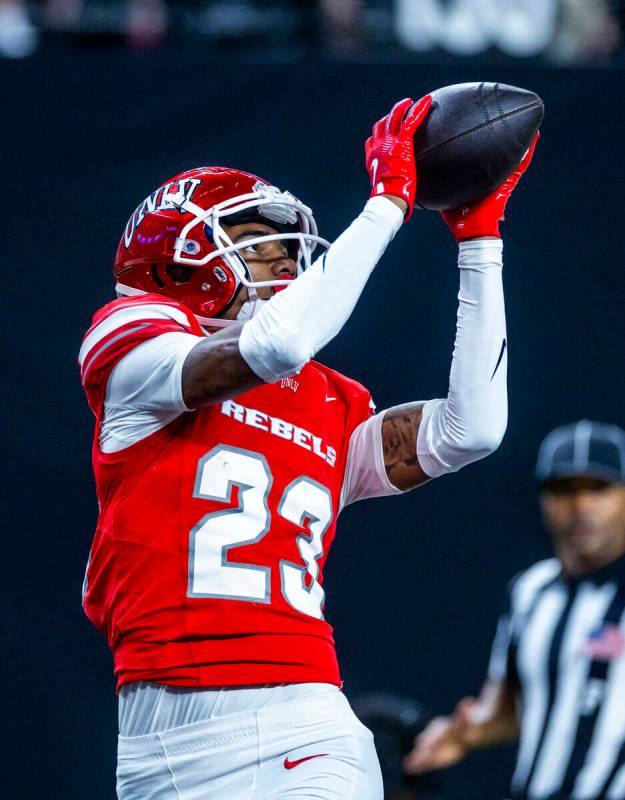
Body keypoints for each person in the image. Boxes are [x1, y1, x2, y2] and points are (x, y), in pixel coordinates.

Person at [78, 96, 537, 799]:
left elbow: (470, 430)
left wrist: (479, 242)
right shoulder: (133, 341)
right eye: (259, 244)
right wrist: (386, 203)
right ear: (181, 260)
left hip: (300, 724)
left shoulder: (325, 397)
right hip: (154, 745)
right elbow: (274, 343)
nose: (285, 264)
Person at [404, 420, 625, 800]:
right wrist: (463, 733)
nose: (581, 505)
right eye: (563, 490)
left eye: (598, 488)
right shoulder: (530, 591)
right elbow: (512, 708)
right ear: (542, 500)